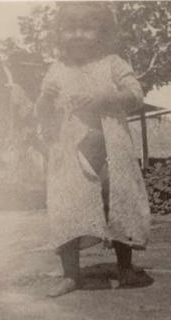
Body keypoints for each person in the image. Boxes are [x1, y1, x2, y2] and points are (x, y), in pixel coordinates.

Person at [34, 2, 152, 297]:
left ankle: (125, 268)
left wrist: (105, 97)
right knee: (66, 207)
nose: (77, 35)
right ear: (60, 34)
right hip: (70, 152)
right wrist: (45, 101)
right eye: (70, 28)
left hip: (110, 148)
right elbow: (42, 112)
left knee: (119, 200)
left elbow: (135, 95)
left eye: (86, 28)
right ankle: (71, 274)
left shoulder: (113, 63)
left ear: (102, 32)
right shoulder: (57, 69)